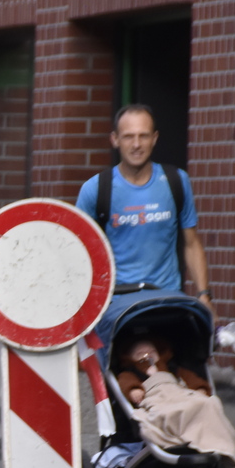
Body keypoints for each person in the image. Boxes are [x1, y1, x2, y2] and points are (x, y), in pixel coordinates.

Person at [76, 104, 213, 313]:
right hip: (115, 304)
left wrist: (204, 295)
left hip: (166, 298)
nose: (136, 144)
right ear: (115, 139)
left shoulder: (176, 181)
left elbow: (191, 244)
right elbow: (78, 252)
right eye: (129, 136)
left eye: (144, 136)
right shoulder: (96, 189)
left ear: (155, 138)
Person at [110, 332, 235, 468]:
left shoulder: (173, 369)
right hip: (157, 399)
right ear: (130, 357)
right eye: (140, 352)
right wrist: (134, 390)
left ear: (160, 352)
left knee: (208, 404)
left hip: (181, 395)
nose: (146, 354)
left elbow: (192, 379)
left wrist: (199, 389)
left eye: (150, 350)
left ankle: (215, 445)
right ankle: (176, 437)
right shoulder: (131, 372)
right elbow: (125, 382)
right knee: (161, 415)